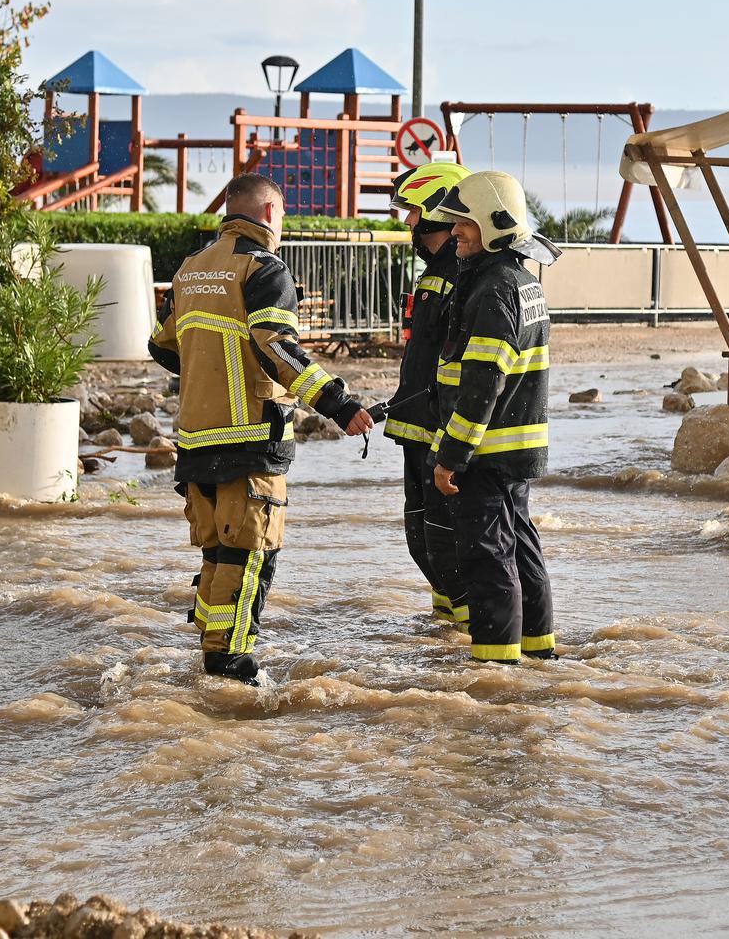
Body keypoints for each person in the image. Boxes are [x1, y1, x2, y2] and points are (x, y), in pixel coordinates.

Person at [148, 172, 374, 684]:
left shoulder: (190, 270)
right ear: (270, 213)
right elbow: (276, 347)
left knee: (217, 556)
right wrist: (338, 404)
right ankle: (232, 669)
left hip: (196, 441)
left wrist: (209, 375)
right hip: (249, 439)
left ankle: (210, 666)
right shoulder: (263, 268)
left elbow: (161, 346)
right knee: (250, 556)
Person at [429, 170, 560, 664]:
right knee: (523, 551)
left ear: (493, 223)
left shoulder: (493, 290)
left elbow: (482, 385)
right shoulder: (523, 282)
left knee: (488, 560)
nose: (456, 232)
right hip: (515, 449)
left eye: (464, 223)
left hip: (484, 452)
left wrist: (451, 457)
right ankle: (537, 653)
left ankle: (496, 669)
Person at [385, 161, 473, 625]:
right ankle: (445, 636)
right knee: (421, 540)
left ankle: (470, 637)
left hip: (442, 431)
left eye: (413, 212)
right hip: (415, 423)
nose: (408, 223)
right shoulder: (436, 272)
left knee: (444, 542)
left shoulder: (463, 275)